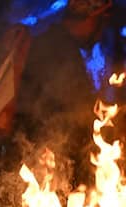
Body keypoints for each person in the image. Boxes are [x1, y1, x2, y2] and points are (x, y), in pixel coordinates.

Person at [12, 0, 114, 186]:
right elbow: (75, 121)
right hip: (51, 167)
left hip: (42, 162)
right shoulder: (60, 50)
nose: (103, 28)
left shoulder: (50, 42)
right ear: (92, 16)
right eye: (103, 17)